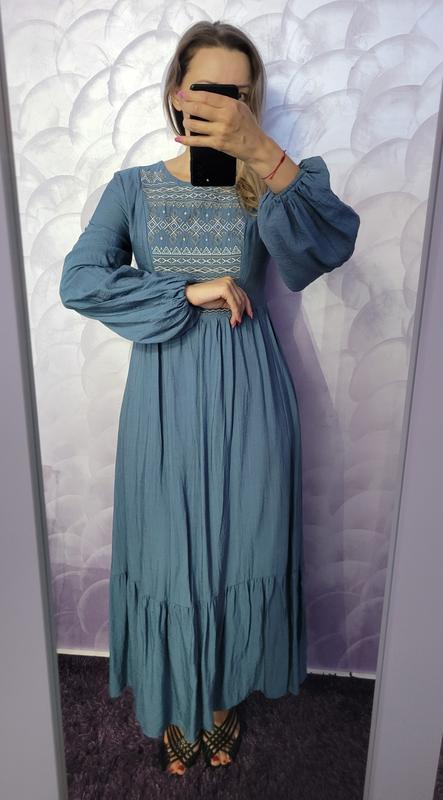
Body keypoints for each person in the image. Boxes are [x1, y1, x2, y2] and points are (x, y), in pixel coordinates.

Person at [59, 19, 360, 776]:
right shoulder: (131, 188)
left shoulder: (267, 188)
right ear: (175, 91)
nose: (224, 104)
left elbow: (328, 247)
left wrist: (262, 152)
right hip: (162, 396)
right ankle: (175, 697)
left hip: (251, 395)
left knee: (239, 546)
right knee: (168, 555)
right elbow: (79, 280)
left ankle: (221, 697)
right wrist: (185, 291)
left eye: (239, 93)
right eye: (208, 88)